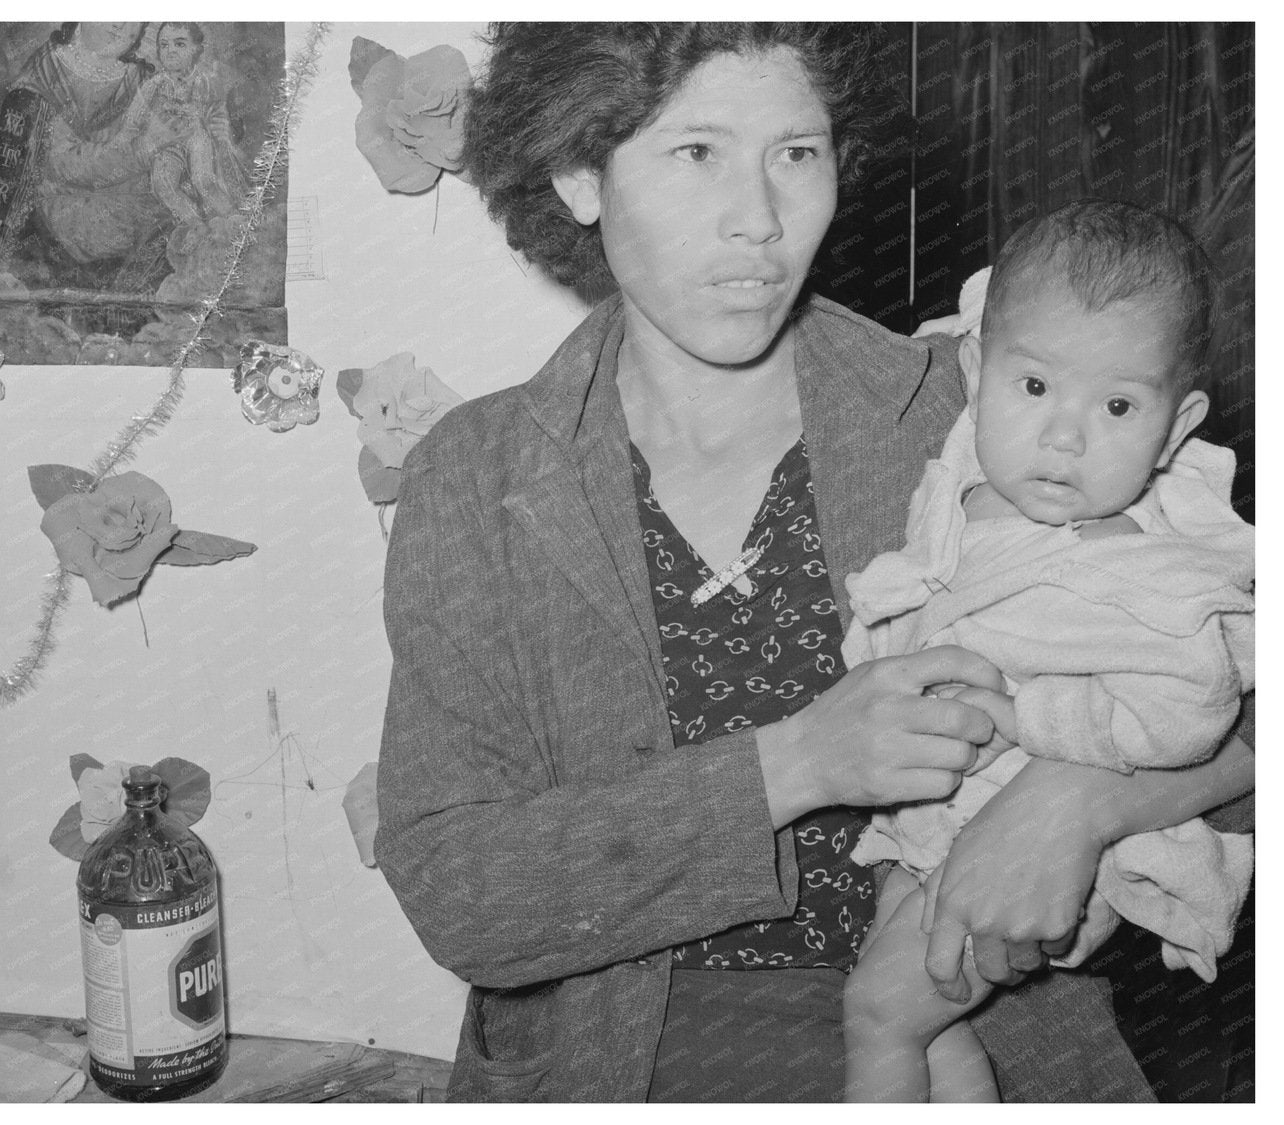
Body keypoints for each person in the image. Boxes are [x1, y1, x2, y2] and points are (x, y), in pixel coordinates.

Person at [374, 23, 1255, 1102]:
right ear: (578, 173)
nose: (759, 221)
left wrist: (1074, 807)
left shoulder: (986, 413)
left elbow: (1235, 677)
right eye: (697, 153)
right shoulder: (478, 476)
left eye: (797, 153)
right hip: (620, 1074)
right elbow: (460, 892)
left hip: (978, 1049)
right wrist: (796, 764)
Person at [840, 201, 1255, 1103]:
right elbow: (1012, 319)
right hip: (931, 823)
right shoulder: (982, 462)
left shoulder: (1142, 578)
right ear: (979, 371)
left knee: (878, 1012)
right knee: (929, 1025)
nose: (1065, 435)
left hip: (1045, 845)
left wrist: (1030, 720)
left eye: (1116, 406)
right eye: (1034, 391)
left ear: (1177, 426)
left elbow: (1190, 712)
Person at [0, 23, 186, 288]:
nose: (120, 23)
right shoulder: (44, 77)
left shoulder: (142, 79)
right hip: (59, 225)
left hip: (135, 218)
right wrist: (144, 150)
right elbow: (66, 164)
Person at [135, 22, 249, 225]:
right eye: (164, 45)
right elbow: (135, 120)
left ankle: (233, 221)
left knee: (204, 179)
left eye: (179, 44)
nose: (170, 51)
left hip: (198, 137)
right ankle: (195, 226)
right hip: (167, 143)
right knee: (163, 183)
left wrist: (218, 129)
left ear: (198, 50)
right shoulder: (154, 85)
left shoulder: (206, 82)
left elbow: (219, 115)